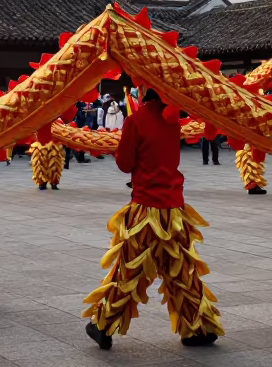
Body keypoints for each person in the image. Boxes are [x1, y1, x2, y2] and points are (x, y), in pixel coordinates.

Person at [84, 88, 223, 350]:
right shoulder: (173, 120)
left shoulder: (135, 121)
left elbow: (125, 164)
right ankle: (197, 329)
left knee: (129, 270)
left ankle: (103, 325)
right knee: (183, 271)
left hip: (145, 211)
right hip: (174, 211)